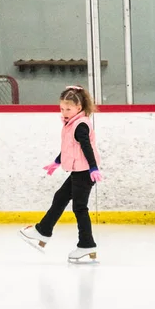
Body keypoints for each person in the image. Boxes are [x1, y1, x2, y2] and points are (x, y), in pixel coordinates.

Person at [19, 85, 103, 263]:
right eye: (62, 108)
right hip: (78, 171)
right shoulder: (71, 124)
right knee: (60, 197)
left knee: (79, 208)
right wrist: (56, 162)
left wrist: (93, 168)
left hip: (85, 172)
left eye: (68, 109)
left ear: (78, 108)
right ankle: (43, 231)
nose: (64, 112)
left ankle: (86, 244)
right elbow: (70, 149)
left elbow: (87, 148)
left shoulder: (80, 125)